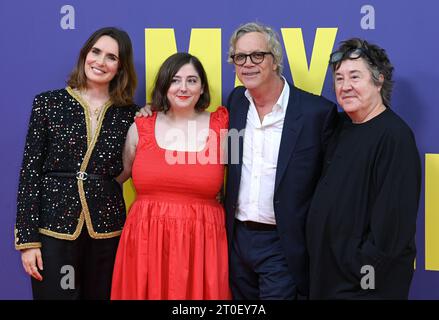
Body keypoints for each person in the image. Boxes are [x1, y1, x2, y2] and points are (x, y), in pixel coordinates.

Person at [15, 27, 138, 300]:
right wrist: (28, 241)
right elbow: (30, 172)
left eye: (111, 57)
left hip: (107, 232)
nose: (100, 62)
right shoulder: (48, 103)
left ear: (120, 67)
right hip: (54, 230)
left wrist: (151, 114)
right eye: (96, 52)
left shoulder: (130, 114)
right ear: (84, 55)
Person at [224, 22, 338, 299]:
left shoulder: (316, 113)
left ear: (275, 61)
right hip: (237, 241)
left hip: (283, 244)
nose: (248, 64)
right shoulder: (236, 102)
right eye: (240, 57)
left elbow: (330, 188)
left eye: (257, 55)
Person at [306, 38, 421, 299]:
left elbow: (391, 231)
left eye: (354, 77)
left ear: (378, 80)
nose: (345, 86)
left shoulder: (395, 137)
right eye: (339, 78)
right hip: (327, 280)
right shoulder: (340, 128)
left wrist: (359, 274)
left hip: (362, 288)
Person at [110, 52, 231, 300]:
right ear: (164, 86)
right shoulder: (140, 126)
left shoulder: (223, 126)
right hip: (145, 243)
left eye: (192, 80)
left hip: (202, 246)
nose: (183, 88)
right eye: (175, 80)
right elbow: (117, 178)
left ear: (203, 88)